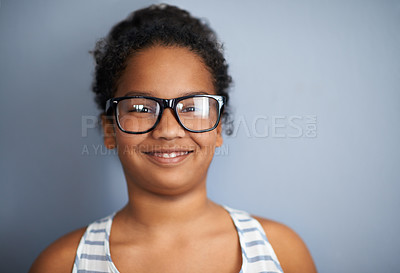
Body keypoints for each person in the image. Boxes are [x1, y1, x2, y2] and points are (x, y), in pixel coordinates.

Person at [29, 4, 317, 273]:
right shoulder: (61, 263)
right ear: (109, 130)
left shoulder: (282, 250)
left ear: (217, 128)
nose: (168, 130)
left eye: (192, 107)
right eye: (141, 108)